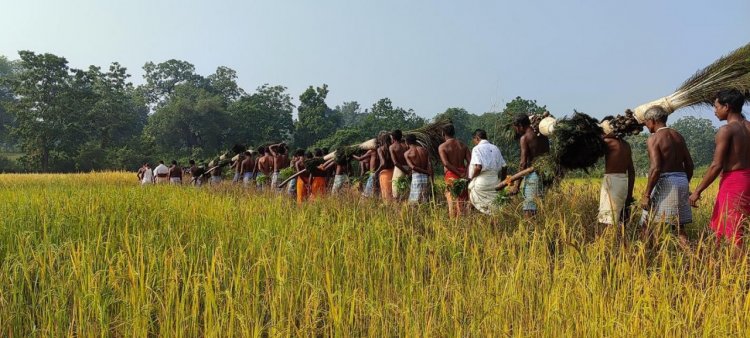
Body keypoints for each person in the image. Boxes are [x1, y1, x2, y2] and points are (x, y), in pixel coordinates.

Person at [689, 89, 750, 246]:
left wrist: (697, 191)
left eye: (716, 107)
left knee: (733, 231)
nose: (715, 112)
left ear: (727, 107)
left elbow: (716, 165)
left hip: (734, 183)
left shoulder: (726, 130)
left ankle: (739, 268)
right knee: (742, 227)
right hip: (747, 180)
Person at [640, 106, 693, 243]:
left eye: (646, 122)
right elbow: (689, 165)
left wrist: (646, 195)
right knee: (680, 228)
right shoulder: (678, 136)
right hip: (681, 180)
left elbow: (655, 168)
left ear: (652, 120)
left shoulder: (654, 139)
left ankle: (647, 258)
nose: (646, 125)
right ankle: (694, 260)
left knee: (647, 223)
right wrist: (685, 184)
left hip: (666, 181)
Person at [598, 117, 636, 226]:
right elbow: (632, 172)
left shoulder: (607, 142)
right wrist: (629, 194)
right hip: (624, 182)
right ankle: (621, 241)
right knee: (620, 220)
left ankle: (611, 242)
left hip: (612, 183)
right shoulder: (626, 145)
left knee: (609, 221)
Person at [510, 114, 549, 217]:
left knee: (529, 210)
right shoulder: (543, 135)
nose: (516, 131)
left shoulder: (525, 138)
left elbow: (522, 163)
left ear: (520, 126)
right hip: (544, 175)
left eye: (516, 128)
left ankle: (529, 232)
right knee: (538, 208)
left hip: (533, 176)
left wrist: (516, 185)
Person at [468, 129, 506, 215]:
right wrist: (502, 182)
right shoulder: (495, 148)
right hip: (494, 182)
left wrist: (471, 178)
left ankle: (475, 224)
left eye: (474, 140)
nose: (474, 142)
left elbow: (478, 167)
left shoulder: (476, 149)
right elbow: (504, 166)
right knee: (494, 208)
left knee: (476, 203)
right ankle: (495, 226)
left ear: (477, 138)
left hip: (482, 181)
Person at [439, 124, 471, 218]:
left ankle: (454, 222)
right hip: (463, 175)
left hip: (451, 174)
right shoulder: (463, 145)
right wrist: (465, 173)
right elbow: (470, 161)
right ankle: (464, 220)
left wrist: (459, 173)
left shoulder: (442, 147)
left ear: (443, 133)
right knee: (463, 199)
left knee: (452, 200)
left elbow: (446, 163)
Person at [405, 134, 432, 204]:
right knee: (424, 200)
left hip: (416, 177)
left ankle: (415, 214)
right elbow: (429, 164)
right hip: (425, 177)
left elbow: (413, 167)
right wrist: (430, 175)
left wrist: (426, 172)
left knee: (414, 201)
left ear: (406, 142)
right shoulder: (424, 150)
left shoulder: (407, 153)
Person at [389, 130, 410, 200]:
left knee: (396, 192)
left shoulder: (392, 147)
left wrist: (405, 171)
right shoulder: (406, 145)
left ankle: (398, 208)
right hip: (407, 168)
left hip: (399, 169)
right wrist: (407, 171)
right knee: (405, 191)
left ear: (393, 138)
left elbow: (395, 162)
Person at [376, 131, 395, 201]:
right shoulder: (393, 147)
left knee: (387, 197)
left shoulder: (380, 149)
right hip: (394, 172)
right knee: (394, 195)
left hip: (385, 174)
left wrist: (377, 172)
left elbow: (383, 163)